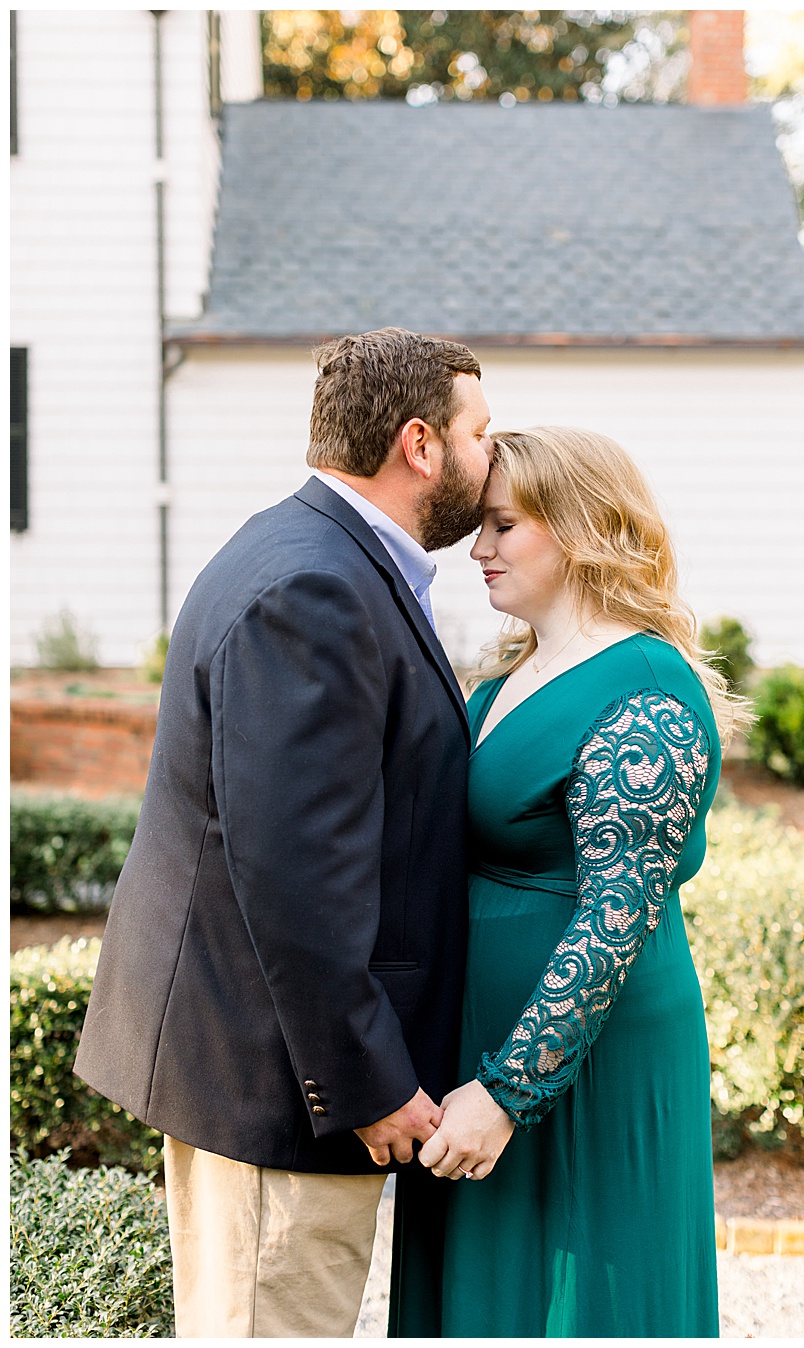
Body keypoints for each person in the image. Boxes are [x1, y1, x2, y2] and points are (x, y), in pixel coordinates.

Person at [73, 328, 494, 1336]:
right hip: (279, 1085)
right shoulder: (318, 588)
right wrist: (367, 1081)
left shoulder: (315, 553)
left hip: (268, 1067)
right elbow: (295, 876)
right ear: (420, 444)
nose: (494, 456)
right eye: (483, 432)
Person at [390, 426, 747, 1338]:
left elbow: (614, 917)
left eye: (505, 526)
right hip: (482, 1055)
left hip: (579, 1060)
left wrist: (508, 1091)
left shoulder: (645, 694)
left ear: (580, 526)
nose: (479, 549)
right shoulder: (511, 674)